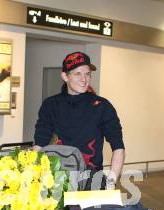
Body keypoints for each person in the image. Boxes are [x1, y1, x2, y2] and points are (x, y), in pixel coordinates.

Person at [33, 51, 125, 189]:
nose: (84, 79)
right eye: (78, 74)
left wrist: (110, 185)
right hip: (56, 179)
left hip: (91, 180)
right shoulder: (50, 105)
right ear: (65, 76)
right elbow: (39, 144)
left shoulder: (102, 106)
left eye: (87, 74)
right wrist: (33, 177)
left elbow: (118, 147)